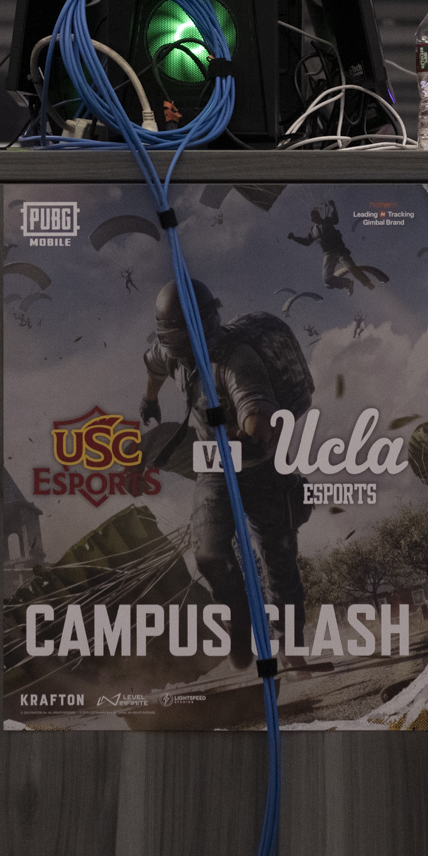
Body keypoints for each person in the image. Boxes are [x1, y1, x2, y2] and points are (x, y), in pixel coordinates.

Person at [138, 279, 309, 670]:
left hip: (264, 469)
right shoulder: (172, 352)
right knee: (210, 553)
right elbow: (155, 365)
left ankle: (292, 649)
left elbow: (258, 418)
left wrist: (250, 434)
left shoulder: (237, 360)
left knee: (278, 561)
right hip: (215, 465)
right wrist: (149, 399)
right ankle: (239, 622)